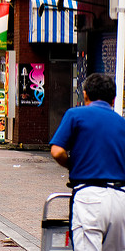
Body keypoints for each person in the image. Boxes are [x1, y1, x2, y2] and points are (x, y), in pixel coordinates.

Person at [50, 73, 125, 250]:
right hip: (120, 198)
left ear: (85, 94)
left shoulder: (75, 115)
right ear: (113, 99)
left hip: (89, 197)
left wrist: (73, 164)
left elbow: (57, 151)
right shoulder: (121, 123)